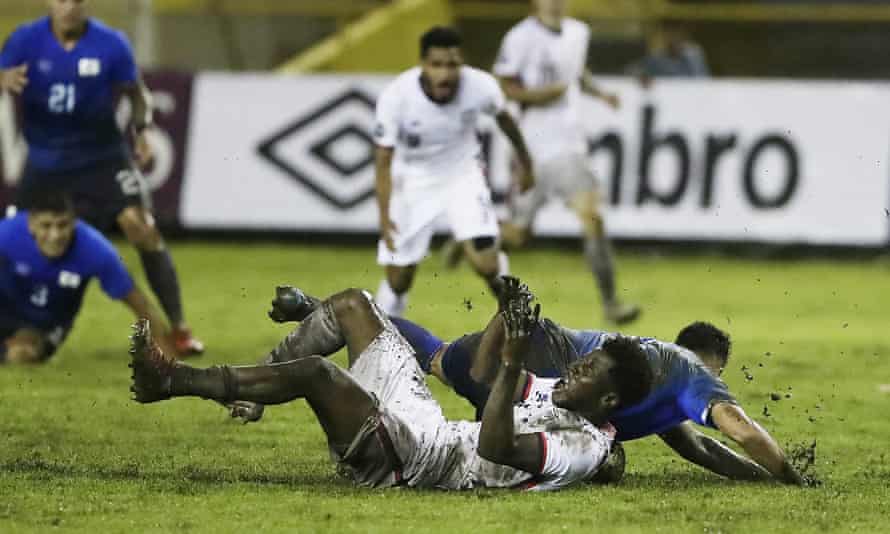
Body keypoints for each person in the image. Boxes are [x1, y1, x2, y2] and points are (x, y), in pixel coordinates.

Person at [128, 280, 653, 490]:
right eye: (583, 362)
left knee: (317, 374)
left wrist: (515, 362)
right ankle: (252, 389)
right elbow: (479, 378)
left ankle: (170, 380)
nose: (574, 370)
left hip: (419, 463)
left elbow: (496, 446)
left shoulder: (584, 447)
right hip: (427, 427)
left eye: (587, 371)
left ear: (608, 400)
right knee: (354, 305)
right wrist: (503, 318)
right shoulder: (559, 393)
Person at [258, 284, 806, 486]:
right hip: (543, 358)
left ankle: (329, 311)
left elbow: (699, 449)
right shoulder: (694, 374)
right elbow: (740, 431)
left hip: (536, 342)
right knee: (493, 432)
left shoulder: (658, 385)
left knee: (437, 358)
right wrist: (788, 474)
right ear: (712, 366)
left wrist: (761, 480)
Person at [0, 0, 203, 355]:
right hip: (45, 162)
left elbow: (137, 94)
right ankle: (24, 325)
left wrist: (142, 131)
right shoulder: (24, 40)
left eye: (76, 0)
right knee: (17, 239)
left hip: (102, 158)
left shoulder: (111, 43)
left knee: (141, 226)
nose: (69, 7)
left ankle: (179, 328)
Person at [448, 0, 639, 324]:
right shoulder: (520, 37)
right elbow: (504, 86)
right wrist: (541, 96)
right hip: (531, 148)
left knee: (592, 217)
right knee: (519, 236)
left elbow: (574, 73)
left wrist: (600, 93)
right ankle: (472, 236)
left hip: (570, 146)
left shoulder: (578, 32)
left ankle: (611, 304)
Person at [373, 26, 534, 317]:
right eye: (437, 65)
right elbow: (384, 160)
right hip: (412, 181)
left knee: (487, 265)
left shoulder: (481, 86)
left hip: (463, 176)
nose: (445, 74)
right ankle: (383, 328)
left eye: (452, 65)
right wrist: (385, 218)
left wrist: (526, 163)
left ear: (462, 63)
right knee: (398, 281)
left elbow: (506, 121)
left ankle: (517, 317)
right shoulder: (396, 97)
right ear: (423, 65)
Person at [0, 190, 173, 364]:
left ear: (74, 223)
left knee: (20, 355)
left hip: (45, 325)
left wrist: (166, 357)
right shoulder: (7, 234)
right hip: (6, 309)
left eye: (62, 225)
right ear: (31, 225)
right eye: (46, 226)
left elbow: (141, 305)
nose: (55, 235)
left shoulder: (95, 249)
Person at [625, 20, 710, 83]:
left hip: (690, 95)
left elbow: (702, 80)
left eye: (678, 34)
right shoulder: (656, 58)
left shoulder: (694, 54)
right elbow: (631, 70)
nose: (674, 38)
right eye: (670, 33)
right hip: (666, 96)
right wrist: (642, 76)